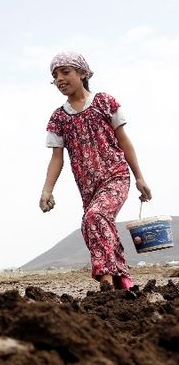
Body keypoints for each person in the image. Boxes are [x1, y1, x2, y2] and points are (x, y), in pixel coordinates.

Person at [39, 51, 152, 290]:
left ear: (82, 73)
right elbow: (56, 158)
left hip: (116, 175)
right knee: (92, 224)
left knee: (95, 217)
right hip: (88, 187)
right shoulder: (58, 118)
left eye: (65, 72)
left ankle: (106, 280)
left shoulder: (104, 103)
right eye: (55, 75)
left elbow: (124, 142)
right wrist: (47, 190)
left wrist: (140, 177)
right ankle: (125, 283)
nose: (59, 79)